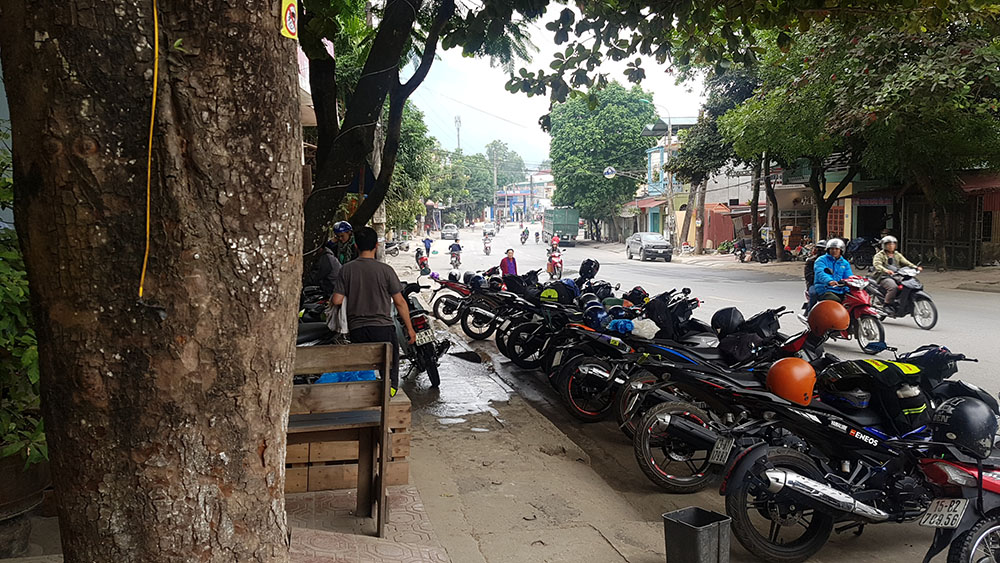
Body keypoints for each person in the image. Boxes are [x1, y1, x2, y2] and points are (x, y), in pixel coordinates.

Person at [332, 227, 416, 393]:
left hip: (357, 329)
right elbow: (399, 302)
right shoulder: (386, 270)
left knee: (363, 366)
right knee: (390, 362)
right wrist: (410, 329)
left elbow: (337, 300)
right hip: (383, 328)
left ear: (356, 246)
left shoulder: (346, 270)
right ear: (376, 246)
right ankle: (390, 390)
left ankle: (364, 394)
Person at [873, 235, 921, 309]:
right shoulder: (879, 255)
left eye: (893, 244)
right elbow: (877, 265)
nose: (891, 246)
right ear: (884, 245)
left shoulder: (897, 254)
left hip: (897, 275)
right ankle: (887, 304)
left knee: (907, 284)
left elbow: (906, 262)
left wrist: (915, 267)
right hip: (883, 276)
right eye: (889, 244)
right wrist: (886, 270)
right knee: (893, 287)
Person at [812, 238, 854, 302]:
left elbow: (849, 276)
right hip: (825, 289)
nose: (834, 251)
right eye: (832, 249)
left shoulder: (845, 263)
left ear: (841, 250)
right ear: (828, 250)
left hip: (841, 289)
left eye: (837, 249)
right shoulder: (821, 260)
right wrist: (830, 281)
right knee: (836, 301)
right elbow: (821, 273)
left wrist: (851, 284)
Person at [803, 240, 826, 309]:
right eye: (819, 249)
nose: (821, 251)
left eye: (823, 249)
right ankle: (810, 312)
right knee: (814, 294)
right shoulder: (811, 261)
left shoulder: (832, 261)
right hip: (814, 284)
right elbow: (808, 277)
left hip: (829, 284)